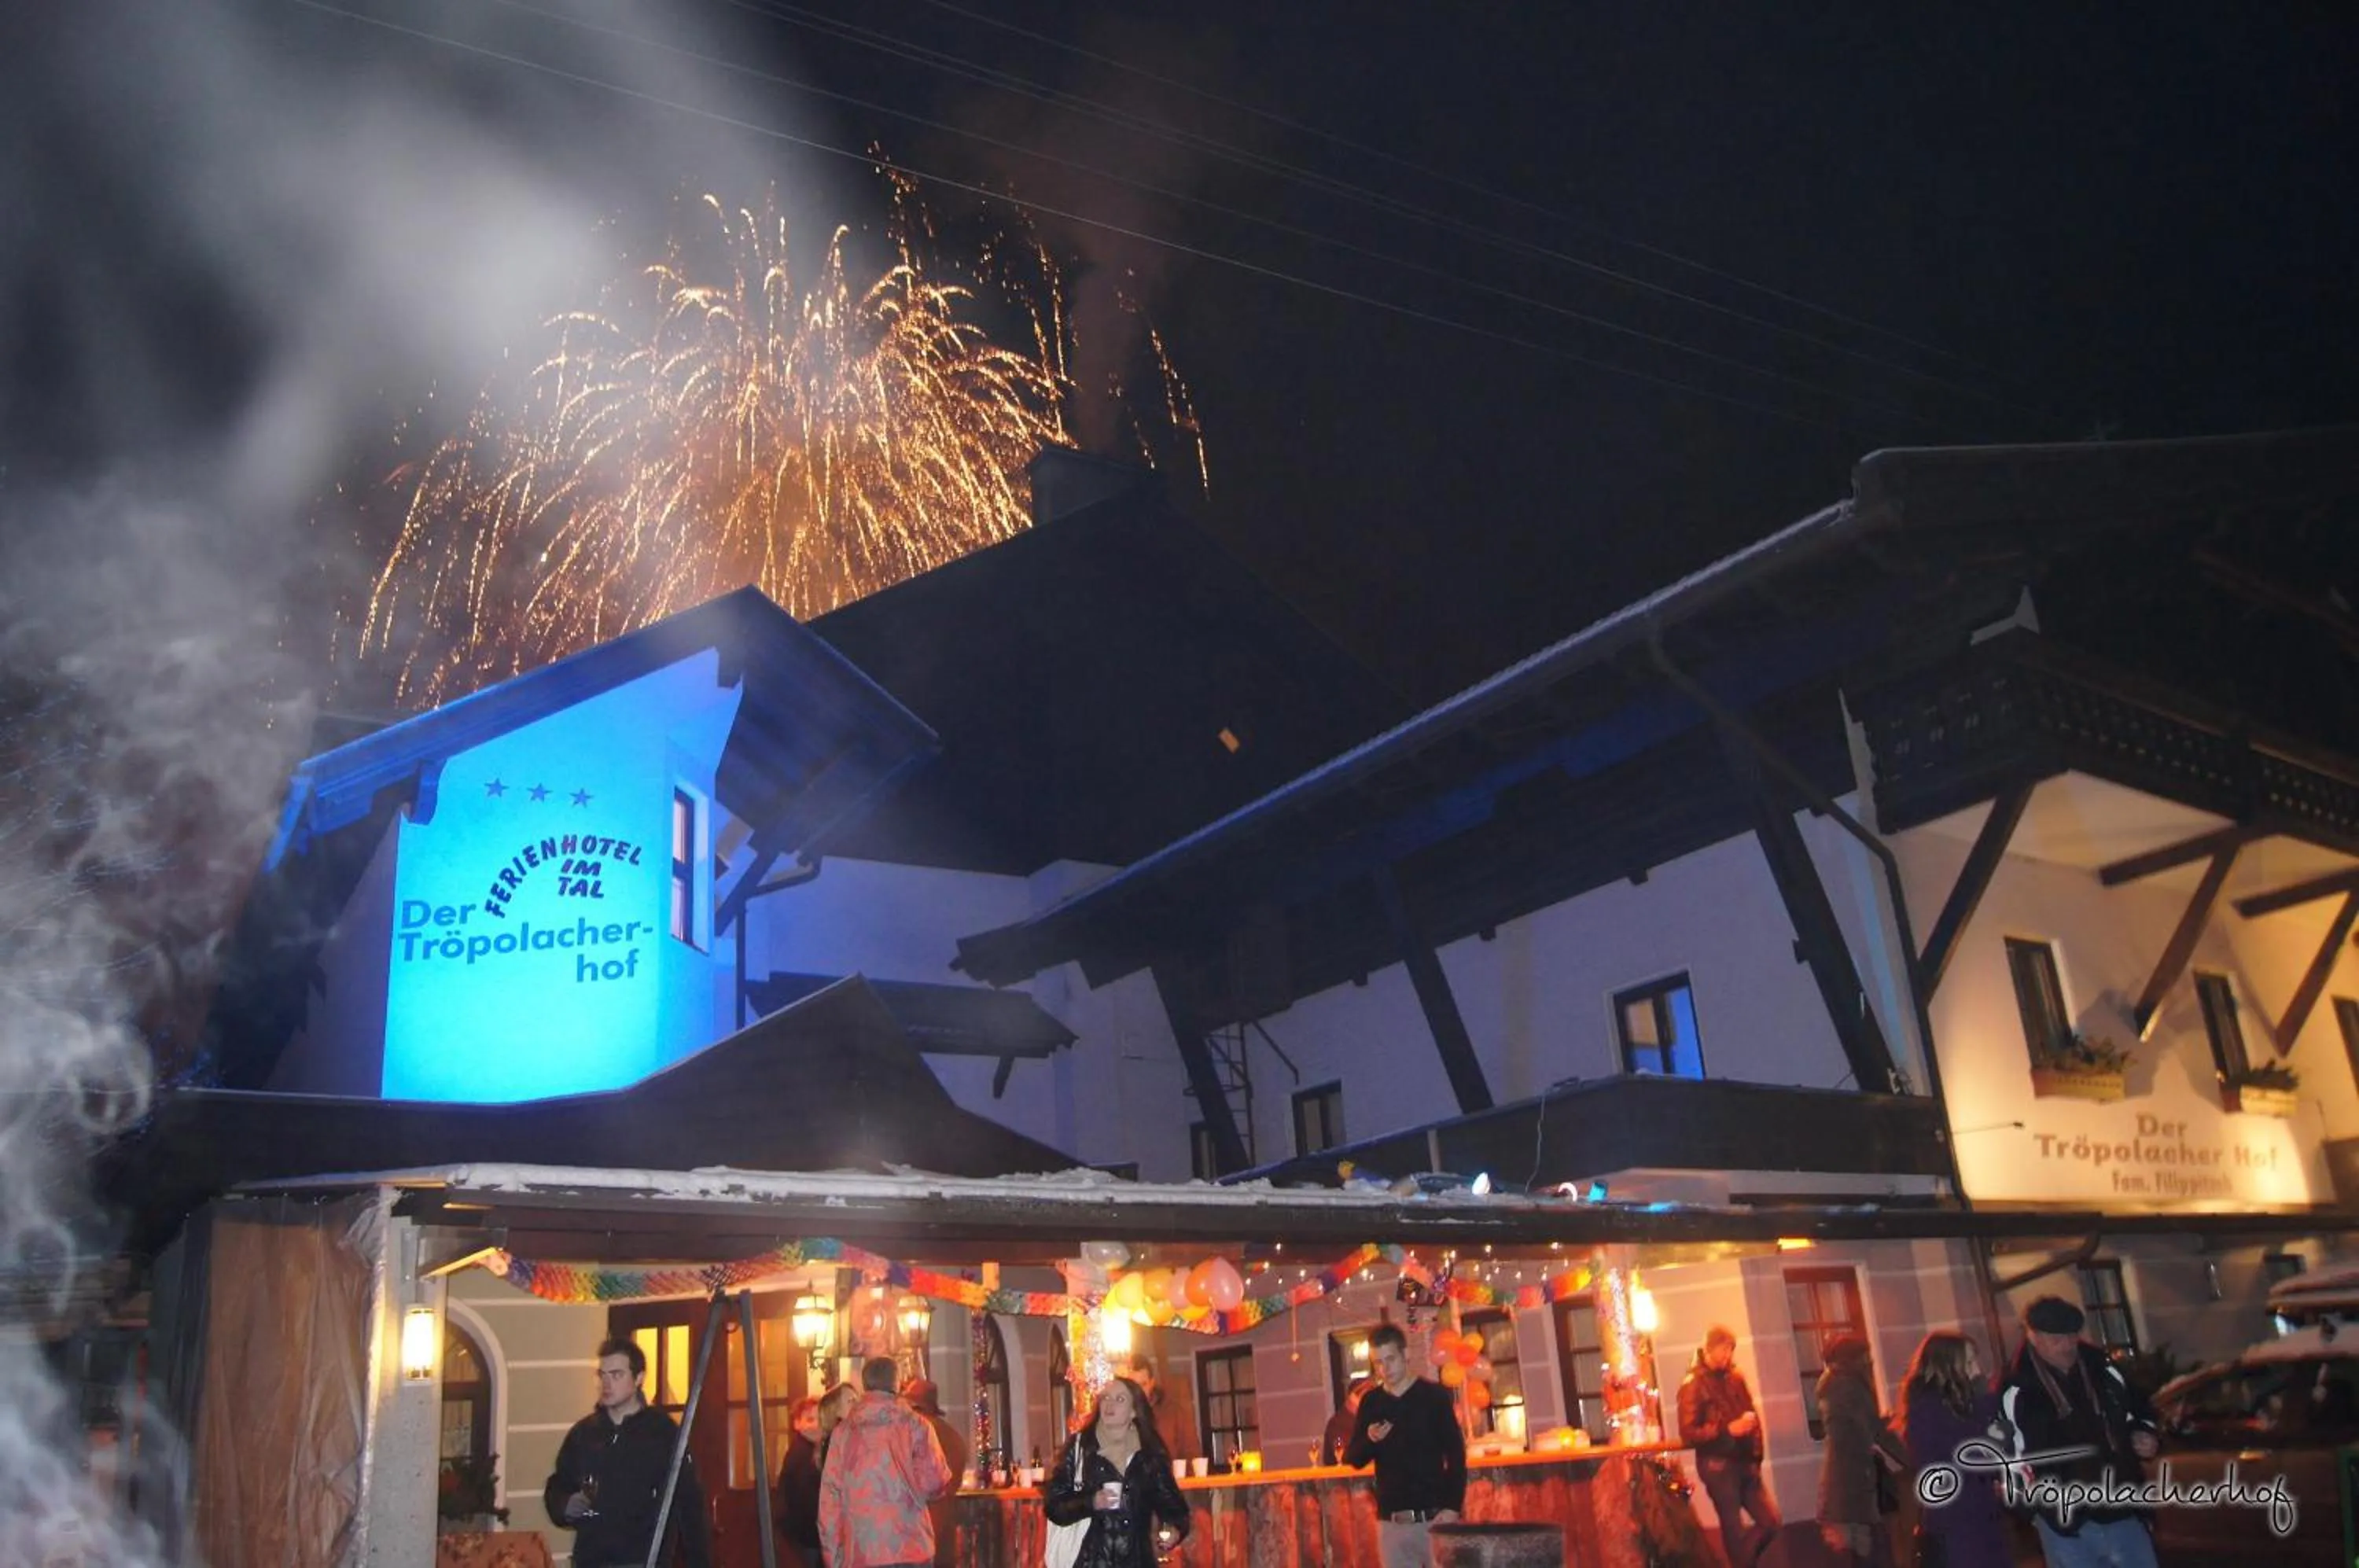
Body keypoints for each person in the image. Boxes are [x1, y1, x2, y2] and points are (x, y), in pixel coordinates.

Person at [1997, 1296, 2160, 1568]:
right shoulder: (2018, 1389)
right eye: (2057, 1340)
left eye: (2073, 1337)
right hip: (2066, 1524)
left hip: (2123, 1508)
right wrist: (2031, 1510)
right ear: (2034, 1337)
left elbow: (2141, 1410)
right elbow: (2010, 1456)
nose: (2068, 1346)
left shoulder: (2103, 1370)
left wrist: (2146, 1434)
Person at [542, 1338, 712, 1568]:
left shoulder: (662, 1433)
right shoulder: (584, 1434)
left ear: (639, 1378)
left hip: (643, 1560)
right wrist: (565, 1505)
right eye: (602, 1375)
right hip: (591, 1561)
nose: (607, 1383)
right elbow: (559, 1484)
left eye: (617, 1375)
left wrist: (699, 1561)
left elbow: (689, 1502)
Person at [1345, 1323, 1467, 1568]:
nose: (1385, 1368)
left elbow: (1456, 1454)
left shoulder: (1433, 1397)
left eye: (1390, 1359)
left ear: (1406, 1355)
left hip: (1435, 1518)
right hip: (1392, 1524)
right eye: (1378, 1363)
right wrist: (1370, 1439)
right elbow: (1354, 1459)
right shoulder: (1372, 1402)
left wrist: (1453, 1506)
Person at [1042, 1376, 1192, 1568]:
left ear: (1134, 1411)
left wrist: (1175, 1530)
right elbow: (1054, 1505)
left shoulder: (1148, 1453)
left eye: (1120, 1399)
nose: (1109, 1404)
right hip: (1091, 1561)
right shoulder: (1082, 1448)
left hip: (1137, 1561)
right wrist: (1091, 1502)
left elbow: (1174, 1507)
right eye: (1105, 1397)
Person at [819, 1357, 952, 1568]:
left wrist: (834, 1556)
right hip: (911, 1548)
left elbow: (830, 1499)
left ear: (865, 1384)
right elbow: (935, 1482)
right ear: (896, 1383)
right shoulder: (917, 1426)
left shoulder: (842, 1434)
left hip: (861, 1552)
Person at [1897, 1332, 2009, 1568]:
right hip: (1957, 1523)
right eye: (1969, 1363)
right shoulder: (1928, 1410)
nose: (1978, 1370)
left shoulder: (1964, 1403)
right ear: (1947, 1367)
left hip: (1982, 1516)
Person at [1677, 1325, 1782, 1568]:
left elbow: (1751, 1413)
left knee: (1771, 1522)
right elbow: (1689, 1432)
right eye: (1723, 1350)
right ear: (1709, 1349)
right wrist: (1726, 1430)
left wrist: (1756, 1454)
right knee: (1733, 1527)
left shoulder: (1735, 1377)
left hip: (1744, 1461)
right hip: (1718, 1466)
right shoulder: (1694, 1383)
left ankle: (1744, 1563)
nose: (1728, 1355)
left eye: (1730, 1350)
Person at [1816, 1334, 1908, 1568]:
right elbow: (1875, 1430)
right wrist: (1913, 1459)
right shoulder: (1848, 1386)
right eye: (1866, 1356)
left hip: (1846, 1484)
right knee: (1872, 1552)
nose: (1871, 1361)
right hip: (1854, 1482)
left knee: (1862, 1551)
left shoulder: (1834, 1384)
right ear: (1854, 1359)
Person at [901, 1377, 969, 1568]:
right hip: (945, 1535)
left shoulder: (916, 1434)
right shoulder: (953, 1437)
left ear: (914, 1407)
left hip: (917, 1536)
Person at [1118, 1352, 1201, 1465]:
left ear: (1152, 1383)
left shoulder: (1174, 1414)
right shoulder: (1116, 1418)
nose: (1138, 1391)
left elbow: (1193, 1457)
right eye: (1133, 1386)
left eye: (1143, 1384)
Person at [774, 1396, 825, 1568]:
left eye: (820, 1419)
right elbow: (808, 1502)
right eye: (810, 1419)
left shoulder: (811, 1451)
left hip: (805, 1535)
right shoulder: (802, 1455)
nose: (817, 1425)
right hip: (806, 1536)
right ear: (797, 1424)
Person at [1322, 1378, 1375, 1466]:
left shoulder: (1370, 1419)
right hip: (1348, 1474)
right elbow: (1348, 1457)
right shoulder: (1339, 1424)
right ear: (1353, 1399)